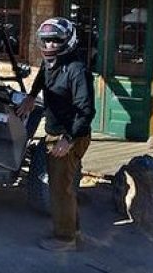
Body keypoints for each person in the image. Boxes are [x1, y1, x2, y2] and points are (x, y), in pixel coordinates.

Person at [17, 17, 95, 252]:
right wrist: (31, 96)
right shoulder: (52, 63)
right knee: (65, 185)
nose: (49, 45)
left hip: (70, 135)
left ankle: (64, 238)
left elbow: (86, 109)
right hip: (56, 132)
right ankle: (74, 228)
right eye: (46, 41)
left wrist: (68, 139)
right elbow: (43, 76)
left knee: (59, 188)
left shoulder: (76, 69)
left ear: (67, 41)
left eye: (55, 41)